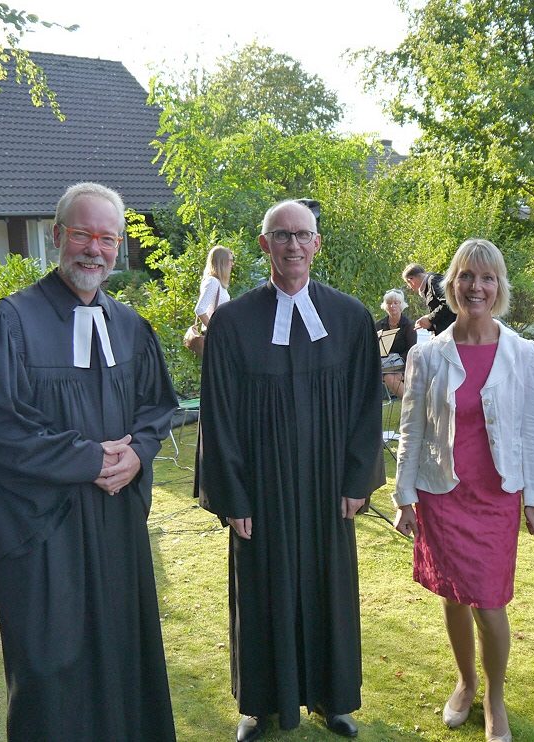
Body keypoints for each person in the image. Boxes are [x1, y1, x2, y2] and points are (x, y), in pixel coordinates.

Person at [0, 182, 178, 741]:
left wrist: (138, 453)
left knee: (123, 655)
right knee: (51, 669)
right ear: (57, 237)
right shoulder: (8, 325)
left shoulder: (131, 325)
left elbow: (157, 406)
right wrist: (87, 460)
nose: (93, 250)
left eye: (106, 239)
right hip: (45, 533)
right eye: (81, 234)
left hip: (117, 531)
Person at [196, 199, 383, 741]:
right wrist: (233, 496)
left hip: (328, 487)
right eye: (281, 236)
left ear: (317, 243)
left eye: (303, 235)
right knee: (262, 590)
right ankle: (259, 704)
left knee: (331, 587)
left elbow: (364, 407)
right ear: (264, 245)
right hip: (262, 488)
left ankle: (334, 698)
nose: (293, 245)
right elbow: (221, 412)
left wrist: (357, 479)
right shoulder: (232, 322)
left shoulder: (349, 317)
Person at [394, 238, 534, 742]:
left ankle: (495, 700)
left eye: (487, 278)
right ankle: (465, 681)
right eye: (467, 277)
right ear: (452, 284)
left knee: (489, 601)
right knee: (453, 594)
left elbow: (529, 428)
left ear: (499, 286)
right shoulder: (428, 353)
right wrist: (404, 495)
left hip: (496, 496)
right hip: (442, 493)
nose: (476, 287)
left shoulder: (521, 352)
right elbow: (412, 427)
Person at [376, 288, 417, 398]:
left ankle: (411, 406)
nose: (392, 306)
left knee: (390, 377)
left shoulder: (409, 325)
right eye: (389, 303)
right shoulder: (379, 325)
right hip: (383, 363)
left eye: (396, 303)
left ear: (401, 305)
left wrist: (395, 361)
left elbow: (412, 350)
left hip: (404, 362)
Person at [403, 262, 457, 335]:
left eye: (408, 283)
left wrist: (430, 318)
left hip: (453, 334)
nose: (409, 287)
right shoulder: (427, 286)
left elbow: (449, 303)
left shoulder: (433, 280)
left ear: (411, 279)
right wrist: (428, 324)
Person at [195, 244, 235, 326]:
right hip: (214, 335)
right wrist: (213, 330)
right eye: (230, 260)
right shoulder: (213, 281)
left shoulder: (217, 282)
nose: (232, 264)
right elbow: (200, 309)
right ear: (221, 262)